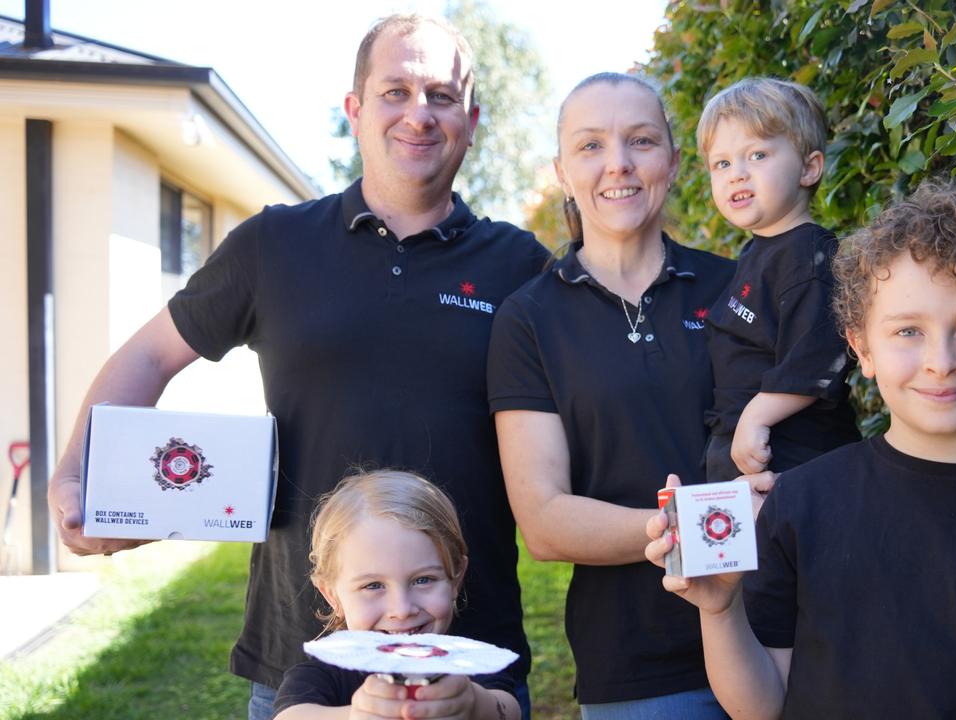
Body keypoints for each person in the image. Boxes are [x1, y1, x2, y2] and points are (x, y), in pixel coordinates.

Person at [45, 14, 546, 720]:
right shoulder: (273, 246)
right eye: (394, 91)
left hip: (470, 656)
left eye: (440, 94)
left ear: (471, 116)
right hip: (300, 660)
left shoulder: (522, 266)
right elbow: (152, 354)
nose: (419, 114)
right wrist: (78, 473)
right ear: (355, 110)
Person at [645, 179, 956, 718]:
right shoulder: (800, 502)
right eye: (908, 331)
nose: (941, 360)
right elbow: (764, 705)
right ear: (861, 347)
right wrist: (722, 612)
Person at [486, 73, 735, 718]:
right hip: (642, 669)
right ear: (563, 170)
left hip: (778, 638)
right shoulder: (528, 318)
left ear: (674, 162)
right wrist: (691, 532)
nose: (618, 164)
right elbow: (542, 519)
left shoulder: (735, 289)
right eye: (591, 145)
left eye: (641, 140)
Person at [698, 77, 859, 484]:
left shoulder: (810, 255)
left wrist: (755, 416)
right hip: (749, 453)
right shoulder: (758, 252)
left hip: (795, 461)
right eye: (722, 163)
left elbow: (819, 357)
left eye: (756, 155)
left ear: (809, 168)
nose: (736, 174)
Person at [273, 470, 519, 720]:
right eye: (373, 586)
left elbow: (509, 708)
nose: (401, 609)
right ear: (331, 595)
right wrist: (354, 716)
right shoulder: (322, 675)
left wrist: (473, 705)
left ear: (456, 578)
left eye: (423, 580)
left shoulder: (468, 662)